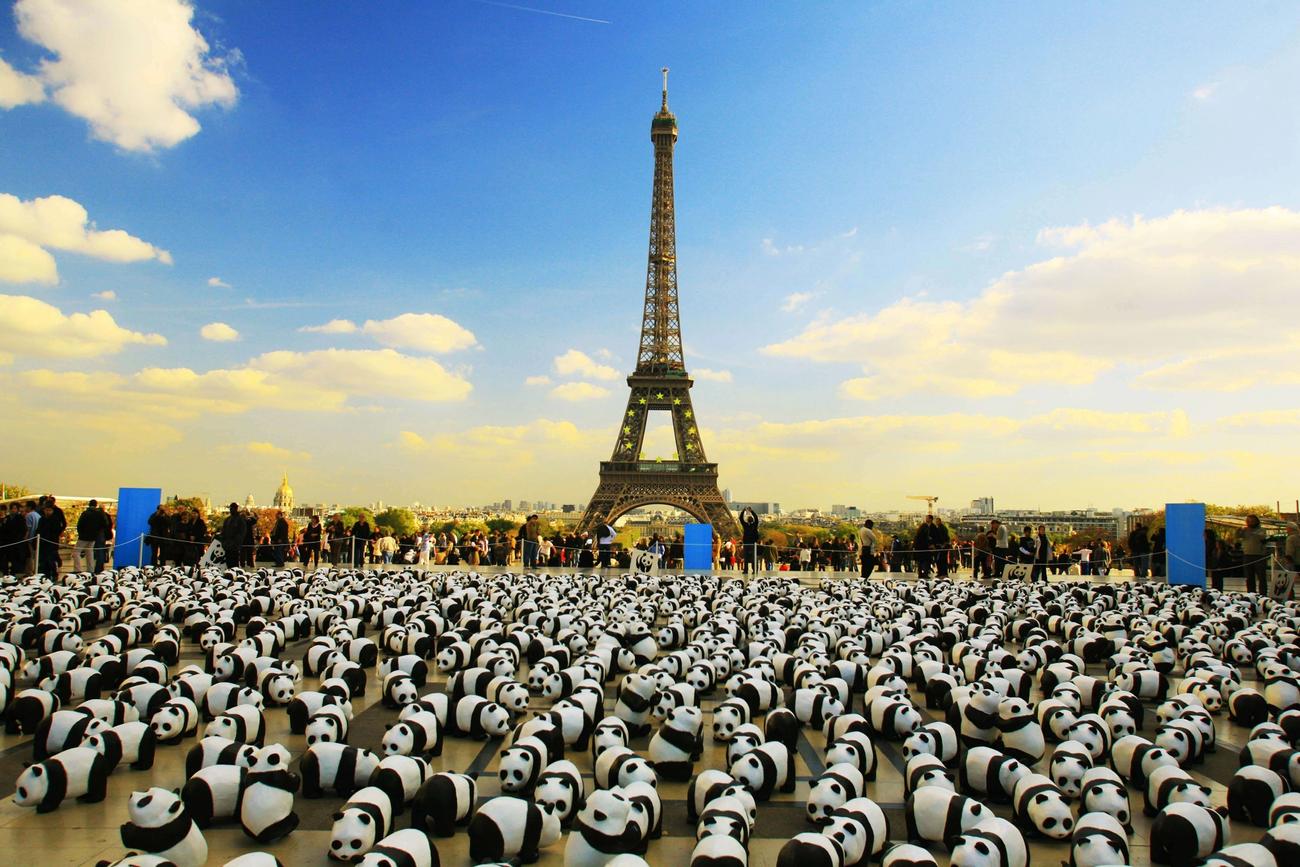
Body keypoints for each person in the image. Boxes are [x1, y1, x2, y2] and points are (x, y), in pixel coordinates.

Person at [74, 499, 108, 574]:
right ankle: (90, 569)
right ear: (96, 505)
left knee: (76, 552)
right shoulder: (99, 514)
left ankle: (77, 569)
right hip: (94, 536)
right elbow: (104, 524)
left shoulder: (85, 513)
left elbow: (79, 525)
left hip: (83, 536)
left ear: (89, 505)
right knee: (89, 552)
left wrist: (80, 533)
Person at [1239, 514, 1267, 595]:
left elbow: (1262, 537)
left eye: (1251, 521)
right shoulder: (1244, 530)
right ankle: (1251, 594)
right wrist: (1240, 530)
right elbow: (1237, 536)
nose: (1249, 522)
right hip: (1247, 555)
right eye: (1248, 521)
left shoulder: (1261, 530)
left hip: (1259, 556)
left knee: (1261, 577)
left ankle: (1263, 594)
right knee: (1249, 577)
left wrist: (1251, 532)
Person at [35, 501, 62, 575]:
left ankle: (54, 574)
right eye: (46, 510)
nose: (48, 512)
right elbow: (39, 530)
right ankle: (45, 574)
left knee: (51, 560)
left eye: (49, 510)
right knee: (43, 561)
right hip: (43, 543)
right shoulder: (42, 519)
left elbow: (57, 530)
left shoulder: (55, 519)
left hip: (52, 543)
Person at [219, 503, 245, 568]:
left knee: (234, 563)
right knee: (228, 562)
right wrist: (224, 542)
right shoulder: (227, 519)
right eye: (230, 508)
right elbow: (223, 531)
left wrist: (236, 542)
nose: (231, 510)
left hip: (234, 546)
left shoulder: (240, 520)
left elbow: (242, 532)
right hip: (227, 545)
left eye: (232, 508)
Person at [739, 507, 760, 575]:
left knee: (746, 557)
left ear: (747, 520)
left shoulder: (745, 525)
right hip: (753, 543)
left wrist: (743, 511)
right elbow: (756, 518)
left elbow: (741, 519)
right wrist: (751, 511)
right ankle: (754, 570)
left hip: (747, 543)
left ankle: (746, 570)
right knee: (753, 557)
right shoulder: (755, 525)